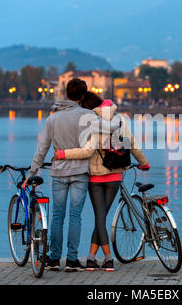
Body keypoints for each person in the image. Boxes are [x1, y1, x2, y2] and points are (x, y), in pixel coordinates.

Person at [22, 78, 119, 272]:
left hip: (59, 172)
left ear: (67, 94)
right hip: (80, 172)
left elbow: (42, 150)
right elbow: (112, 127)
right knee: (75, 216)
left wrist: (32, 173)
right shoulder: (88, 116)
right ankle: (73, 260)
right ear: (83, 96)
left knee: (57, 215)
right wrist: (112, 112)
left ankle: (55, 259)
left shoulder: (52, 119)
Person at [54, 92, 150, 271]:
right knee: (102, 217)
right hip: (115, 175)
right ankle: (91, 258)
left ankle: (107, 259)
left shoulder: (90, 120)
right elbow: (133, 144)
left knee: (100, 217)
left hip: (95, 177)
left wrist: (62, 154)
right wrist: (144, 163)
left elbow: (86, 150)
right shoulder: (120, 119)